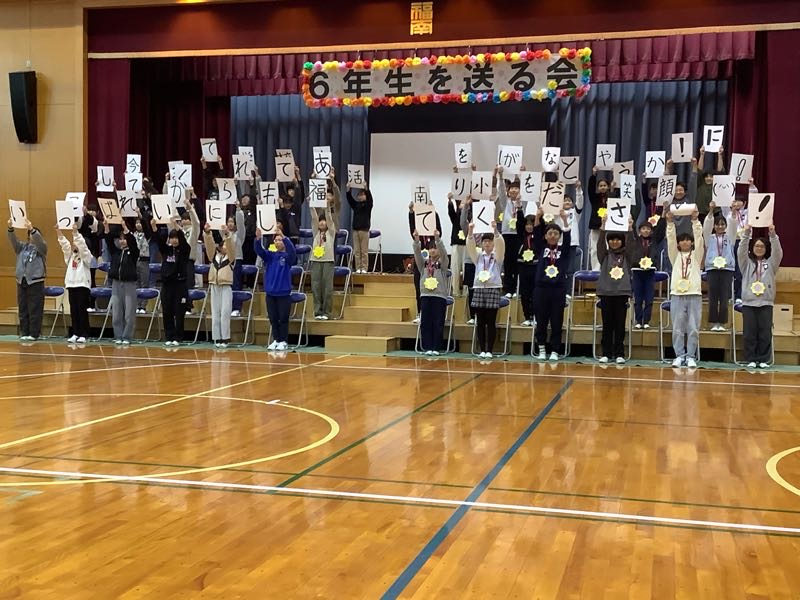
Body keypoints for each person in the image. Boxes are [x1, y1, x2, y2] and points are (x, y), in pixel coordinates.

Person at [737, 223, 782, 368]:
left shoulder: (771, 264)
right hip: (749, 303)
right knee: (749, 333)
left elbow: (778, 252)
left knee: (765, 332)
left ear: (766, 248)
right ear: (753, 248)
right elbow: (741, 251)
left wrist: (773, 235)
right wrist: (746, 234)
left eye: (762, 246)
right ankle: (751, 358)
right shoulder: (746, 264)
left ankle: (763, 359)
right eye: (756, 246)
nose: (759, 248)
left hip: (766, 302)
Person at [665, 209, 704, 368]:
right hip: (677, 294)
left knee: (693, 328)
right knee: (677, 328)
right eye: (682, 240)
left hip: (694, 294)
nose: (685, 242)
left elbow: (699, 238)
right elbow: (670, 240)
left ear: (692, 243)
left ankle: (691, 356)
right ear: (679, 243)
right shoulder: (675, 256)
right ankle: (679, 356)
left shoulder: (696, 256)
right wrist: (670, 223)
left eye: (688, 240)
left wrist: (695, 221)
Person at [532, 210, 572, 360]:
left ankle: (555, 350)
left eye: (556, 233)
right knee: (541, 320)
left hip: (558, 289)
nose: (553, 235)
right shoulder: (541, 249)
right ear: (546, 236)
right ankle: (542, 349)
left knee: (556, 321)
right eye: (550, 233)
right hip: (541, 289)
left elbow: (567, 238)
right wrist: (537, 217)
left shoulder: (564, 251)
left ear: (559, 236)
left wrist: (564, 220)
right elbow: (536, 234)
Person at [596, 218, 636, 364]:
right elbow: (600, 245)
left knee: (620, 324)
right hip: (606, 293)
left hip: (622, 293)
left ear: (622, 241)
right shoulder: (604, 256)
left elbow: (632, 245)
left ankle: (619, 353)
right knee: (607, 324)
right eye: (611, 239)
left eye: (618, 239)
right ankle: (606, 353)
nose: (614, 242)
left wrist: (630, 229)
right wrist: (602, 227)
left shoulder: (627, 256)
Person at [465, 220, 505, 359]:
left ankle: (490, 350)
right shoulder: (478, 257)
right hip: (479, 288)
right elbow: (470, 246)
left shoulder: (497, 257)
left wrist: (496, 231)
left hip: (493, 288)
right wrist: (470, 232)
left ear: (493, 244)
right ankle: (482, 349)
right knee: (480, 321)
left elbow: (501, 244)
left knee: (491, 321)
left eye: (490, 241)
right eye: (485, 241)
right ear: (481, 244)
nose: (487, 243)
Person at [255, 228, 296, 351]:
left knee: (283, 318)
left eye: (280, 240)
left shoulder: (288, 257)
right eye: (276, 240)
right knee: (273, 318)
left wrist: (284, 236)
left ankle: (283, 341)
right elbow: (259, 250)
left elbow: (292, 251)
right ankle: (276, 339)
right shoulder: (270, 256)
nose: (278, 242)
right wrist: (258, 239)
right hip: (270, 293)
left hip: (283, 293)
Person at [8, 218, 47, 341]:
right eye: (30, 234)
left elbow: (39, 241)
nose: (31, 236)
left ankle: (34, 333)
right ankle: (24, 332)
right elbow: (13, 241)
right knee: (23, 307)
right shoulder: (22, 247)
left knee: (35, 308)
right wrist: (10, 228)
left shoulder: (41, 248)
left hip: (35, 281)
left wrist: (31, 228)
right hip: (22, 281)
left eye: (33, 234)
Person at [154, 217, 190, 346]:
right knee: (167, 311)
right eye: (172, 238)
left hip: (179, 284)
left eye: (176, 238)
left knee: (179, 312)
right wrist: (154, 227)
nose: (174, 240)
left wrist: (175, 226)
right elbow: (159, 241)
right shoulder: (166, 250)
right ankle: (169, 336)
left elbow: (184, 242)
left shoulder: (184, 250)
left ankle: (178, 337)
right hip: (167, 285)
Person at [413, 228, 449, 355]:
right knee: (426, 321)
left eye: (435, 248)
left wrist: (438, 239)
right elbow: (417, 254)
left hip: (439, 296)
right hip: (425, 295)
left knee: (437, 321)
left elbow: (444, 253)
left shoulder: (443, 263)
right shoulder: (423, 264)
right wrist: (416, 241)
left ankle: (436, 347)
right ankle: (427, 346)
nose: (433, 250)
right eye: (430, 248)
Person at [703, 200, 736, 331]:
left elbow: (733, 224)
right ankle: (713, 322)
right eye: (717, 224)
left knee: (724, 297)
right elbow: (707, 224)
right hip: (712, 268)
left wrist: (733, 212)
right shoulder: (709, 237)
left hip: (727, 268)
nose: (720, 226)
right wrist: (711, 210)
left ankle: (721, 323)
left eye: (723, 224)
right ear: (714, 226)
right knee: (712, 296)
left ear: (726, 226)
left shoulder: (730, 237)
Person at [408, 199, 443, 323]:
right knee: (419, 287)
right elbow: (412, 228)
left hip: (433, 260)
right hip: (421, 261)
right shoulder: (418, 226)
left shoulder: (433, 224)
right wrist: (411, 212)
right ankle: (420, 313)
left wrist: (433, 211)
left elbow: (439, 232)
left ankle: (434, 313)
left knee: (434, 285)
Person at [57, 223, 92, 344]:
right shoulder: (70, 257)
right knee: (74, 310)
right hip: (71, 285)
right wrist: (58, 231)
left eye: (76, 243)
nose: (74, 245)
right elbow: (65, 246)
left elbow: (82, 246)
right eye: (73, 243)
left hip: (82, 285)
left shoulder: (86, 257)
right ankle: (76, 333)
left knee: (82, 310)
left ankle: (84, 334)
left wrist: (75, 233)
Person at [105, 220, 138, 344]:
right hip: (116, 283)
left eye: (124, 239)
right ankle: (118, 336)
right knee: (117, 312)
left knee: (129, 312)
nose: (122, 241)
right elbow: (109, 241)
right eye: (120, 239)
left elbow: (133, 243)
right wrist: (106, 227)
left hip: (129, 284)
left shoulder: (133, 253)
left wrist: (125, 227)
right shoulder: (116, 252)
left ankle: (127, 336)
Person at [630, 218, 666, 329]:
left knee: (649, 298)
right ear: (640, 230)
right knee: (638, 298)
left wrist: (663, 217)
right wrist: (631, 223)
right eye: (643, 229)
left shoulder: (653, 240)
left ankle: (646, 321)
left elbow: (660, 229)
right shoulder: (636, 240)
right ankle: (638, 320)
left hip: (650, 271)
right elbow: (631, 232)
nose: (646, 231)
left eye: (648, 229)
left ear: (651, 231)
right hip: (637, 271)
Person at [203, 223, 234, 348]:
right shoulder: (213, 257)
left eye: (226, 245)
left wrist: (227, 234)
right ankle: (217, 338)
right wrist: (207, 233)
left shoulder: (231, 258)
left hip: (226, 286)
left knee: (225, 312)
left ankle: (225, 338)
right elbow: (209, 245)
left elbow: (231, 246)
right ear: (220, 247)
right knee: (215, 313)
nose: (225, 246)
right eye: (223, 245)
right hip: (214, 285)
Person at [497, 170, 521, 297]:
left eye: (516, 188)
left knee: (517, 262)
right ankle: (507, 288)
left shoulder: (522, 202)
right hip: (506, 234)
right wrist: (500, 176)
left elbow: (529, 190)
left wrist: (522, 174)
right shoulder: (505, 202)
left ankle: (516, 288)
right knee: (507, 262)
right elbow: (501, 191)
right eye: (511, 188)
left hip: (518, 234)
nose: (514, 190)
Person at [310, 205, 336, 320]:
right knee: (316, 287)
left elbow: (330, 219)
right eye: (320, 221)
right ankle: (317, 312)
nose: (321, 223)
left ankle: (326, 312)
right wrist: (311, 207)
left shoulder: (331, 232)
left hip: (328, 261)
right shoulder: (316, 232)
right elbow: (314, 219)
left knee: (327, 288)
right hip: (316, 260)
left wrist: (327, 207)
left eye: (323, 221)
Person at [515, 207, 538, 326]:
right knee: (524, 293)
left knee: (535, 293)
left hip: (535, 266)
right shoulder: (521, 235)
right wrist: (519, 209)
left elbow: (541, 225)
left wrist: (539, 214)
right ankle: (527, 317)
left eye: (531, 224)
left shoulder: (538, 236)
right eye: (527, 224)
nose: (529, 227)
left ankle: (534, 316)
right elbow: (519, 222)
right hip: (523, 266)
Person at [346, 183, 374, 273]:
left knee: (364, 251)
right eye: (359, 195)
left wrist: (366, 189)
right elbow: (350, 199)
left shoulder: (368, 205)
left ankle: (364, 268)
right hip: (355, 230)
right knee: (357, 251)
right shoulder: (356, 205)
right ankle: (358, 267)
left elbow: (370, 199)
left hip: (364, 230)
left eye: (363, 195)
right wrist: (348, 190)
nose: (361, 196)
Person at [587, 167, 610, 270]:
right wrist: (593, 175)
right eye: (600, 186)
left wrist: (614, 176)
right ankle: (595, 269)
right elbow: (590, 189)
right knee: (595, 248)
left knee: (608, 247)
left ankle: (606, 268)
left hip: (609, 226)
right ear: (598, 187)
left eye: (605, 185)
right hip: (596, 225)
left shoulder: (611, 197)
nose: (603, 187)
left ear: (608, 187)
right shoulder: (594, 197)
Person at [133, 211, 154, 314]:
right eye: (137, 223)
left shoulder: (147, 234)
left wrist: (141, 217)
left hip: (144, 260)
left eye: (140, 223)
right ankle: (137, 305)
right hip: (135, 260)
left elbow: (146, 227)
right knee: (136, 284)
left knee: (144, 284)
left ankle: (143, 306)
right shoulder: (133, 234)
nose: (138, 225)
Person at [228, 203, 246, 316]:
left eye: (232, 222)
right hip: (226, 261)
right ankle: (227, 306)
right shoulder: (224, 234)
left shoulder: (239, 235)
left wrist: (238, 210)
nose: (230, 224)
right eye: (228, 221)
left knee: (236, 284)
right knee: (226, 285)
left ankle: (237, 308)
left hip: (237, 260)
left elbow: (241, 224)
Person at [446, 191, 465, 296]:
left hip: (467, 244)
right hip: (456, 244)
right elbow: (451, 213)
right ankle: (456, 291)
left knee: (466, 269)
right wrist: (449, 201)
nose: (463, 204)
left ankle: (466, 291)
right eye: (461, 203)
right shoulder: (456, 216)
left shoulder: (471, 215)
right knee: (455, 268)